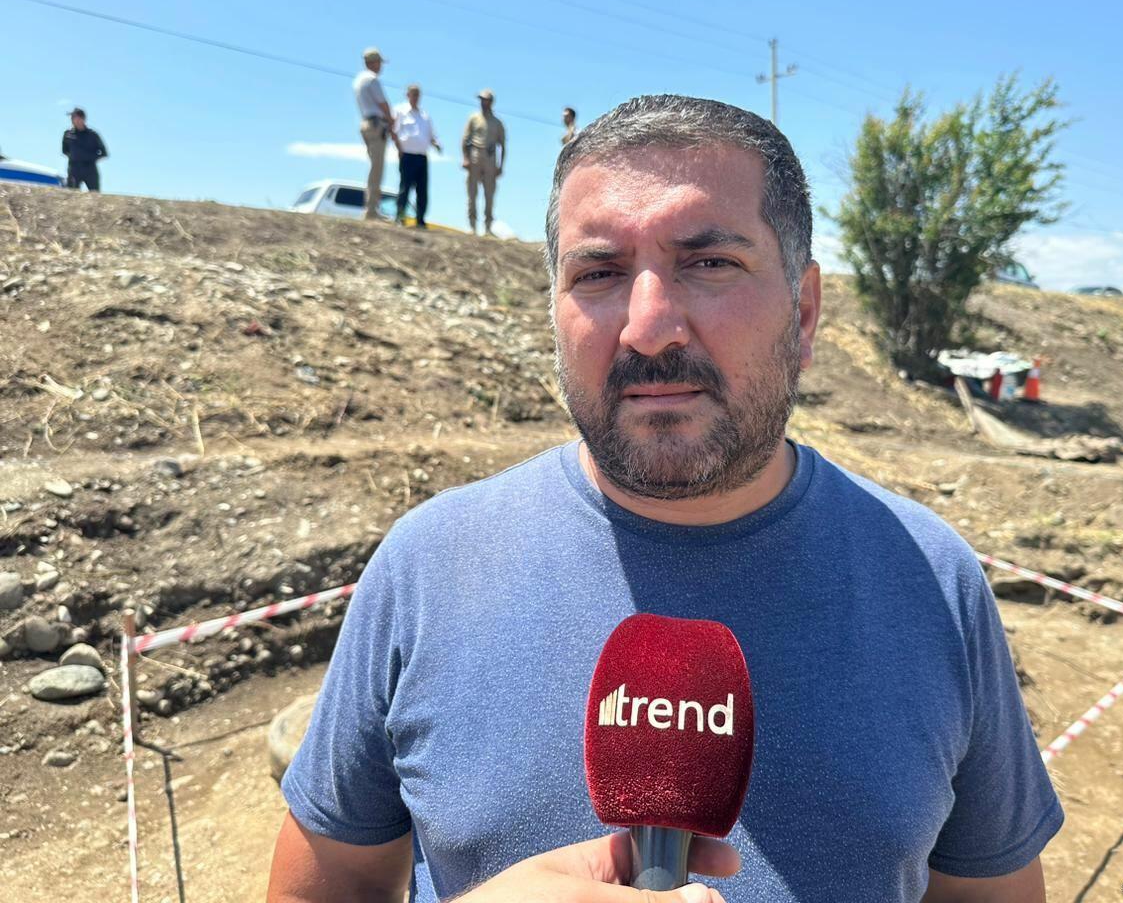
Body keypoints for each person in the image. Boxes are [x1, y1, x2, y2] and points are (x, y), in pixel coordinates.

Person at [268, 95, 1063, 903]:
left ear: (804, 312)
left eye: (709, 263)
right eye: (598, 273)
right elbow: (331, 884)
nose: (649, 328)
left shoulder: (933, 579)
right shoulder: (428, 567)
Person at [353, 47, 400, 221]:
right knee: (377, 168)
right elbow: (383, 104)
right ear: (373, 62)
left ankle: (371, 208)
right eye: (379, 62)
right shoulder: (372, 79)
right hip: (376, 125)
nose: (381, 66)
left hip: (366, 124)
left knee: (374, 166)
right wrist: (391, 120)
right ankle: (371, 210)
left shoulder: (359, 80)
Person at [392, 84, 442, 227]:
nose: (415, 97)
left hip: (422, 156)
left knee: (422, 190)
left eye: (417, 95)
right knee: (405, 188)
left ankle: (420, 220)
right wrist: (399, 149)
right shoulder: (400, 111)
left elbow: (432, 135)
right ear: (407, 95)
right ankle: (400, 217)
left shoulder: (424, 115)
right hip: (407, 155)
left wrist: (436, 144)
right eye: (413, 94)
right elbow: (394, 132)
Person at [460, 89, 505, 235]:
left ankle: (488, 227)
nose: (482, 102)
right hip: (475, 155)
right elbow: (465, 139)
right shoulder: (473, 118)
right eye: (481, 100)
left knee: (489, 194)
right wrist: (465, 158)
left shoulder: (497, 123)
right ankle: (472, 225)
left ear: (490, 102)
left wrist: (500, 166)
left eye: (485, 100)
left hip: (490, 158)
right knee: (472, 192)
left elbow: (502, 146)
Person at [62, 108, 107, 192]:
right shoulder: (68, 134)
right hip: (74, 170)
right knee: (71, 195)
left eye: (75, 117)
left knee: (94, 195)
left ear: (83, 119)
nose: (73, 120)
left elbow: (104, 153)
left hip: (90, 170)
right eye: (72, 118)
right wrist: (74, 157)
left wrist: (89, 158)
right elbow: (65, 150)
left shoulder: (93, 135)